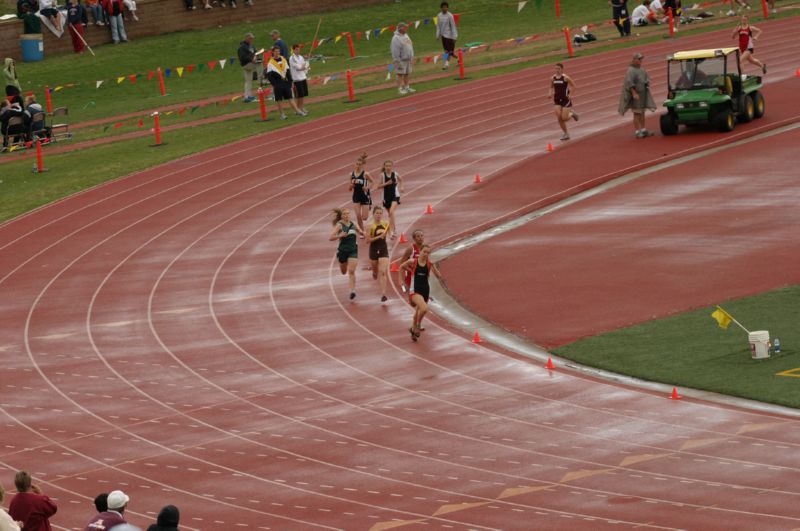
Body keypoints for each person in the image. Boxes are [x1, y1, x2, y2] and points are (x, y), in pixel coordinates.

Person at [399, 244, 441, 341]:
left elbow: (439, 277)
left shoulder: (429, 264)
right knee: (424, 309)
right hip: (415, 291)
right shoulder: (413, 262)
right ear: (420, 251)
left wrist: (434, 267)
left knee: (418, 312)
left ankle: (413, 330)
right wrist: (401, 280)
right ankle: (417, 325)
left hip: (425, 290)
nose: (426, 254)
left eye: (428, 253)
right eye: (424, 252)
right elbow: (401, 267)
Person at [618, 52, 656, 138]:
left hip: (643, 94)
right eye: (639, 59)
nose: (641, 60)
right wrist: (634, 93)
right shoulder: (631, 70)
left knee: (642, 112)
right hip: (636, 95)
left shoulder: (641, 69)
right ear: (634, 60)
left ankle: (643, 130)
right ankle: (637, 131)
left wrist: (647, 83)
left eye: (641, 59)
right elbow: (629, 83)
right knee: (637, 113)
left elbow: (646, 78)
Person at [330, 208, 363, 300]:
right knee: (343, 272)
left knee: (351, 271)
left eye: (348, 214)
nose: (347, 215)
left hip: (353, 250)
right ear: (342, 216)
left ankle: (352, 291)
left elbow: (360, 231)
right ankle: (340, 258)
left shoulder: (353, 224)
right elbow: (331, 237)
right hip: (343, 251)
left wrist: (362, 232)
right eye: (344, 214)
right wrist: (340, 235)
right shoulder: (339, 225)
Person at [265, 45, 305, 119]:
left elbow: (287, 71)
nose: (277, 53)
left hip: (285, 82)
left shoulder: (283, 59)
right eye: (276, 51)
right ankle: (282, 114)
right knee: (279, 99)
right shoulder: (270, 63)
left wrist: (290, 81)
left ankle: (298, 111)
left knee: (290, 97)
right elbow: (269, 76)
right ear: (273, 52)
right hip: (277, 83)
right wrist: (274, 84)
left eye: (278, 51)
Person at [373, 160, 403, 239]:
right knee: (391, 214)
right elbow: (378, 187)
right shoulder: (382, 175)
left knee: (391, 211)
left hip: (395, 195)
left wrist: (402, 187)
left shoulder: (395, 174)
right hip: (386, 197)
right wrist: (386, 183)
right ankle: (394, 229)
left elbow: (401, 179)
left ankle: (392, 231)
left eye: (390, 166)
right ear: (384, 166)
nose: (388, 167)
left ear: (392, 166)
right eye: (387, 166)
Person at [549, 63, 579, 141]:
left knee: (564, 118)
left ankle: (572, 113)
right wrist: (549, 93)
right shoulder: (553, 78)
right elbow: (551, 87)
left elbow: (574, 86)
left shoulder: (566, 78)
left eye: (558, 69)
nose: (557, 70)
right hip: (557, 100)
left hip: (566, 100)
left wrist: (570, 94)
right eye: (556, 68)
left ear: (562, 69)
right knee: (559, 117)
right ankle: (566, 133)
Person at [367, 206, 391, 302]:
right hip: (373, 249)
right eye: (377, 213)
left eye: (380, 213)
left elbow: (389, 233)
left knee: (383, 272)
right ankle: (374, 271)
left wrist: (391, 235)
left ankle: (383, 294)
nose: (379, 215)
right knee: (375, 267)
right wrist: (379, 237)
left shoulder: (385, 224)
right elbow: (367, 240)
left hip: (383, 249)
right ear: (373, 214)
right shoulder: (369, 226)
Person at [349, 155, 373, 235]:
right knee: (358, 215)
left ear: (362, 165)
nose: (358, 165)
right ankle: (362, 232)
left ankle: (369, 205)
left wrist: (367, 187)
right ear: (354, 165)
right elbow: (349, 189)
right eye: (357, 164)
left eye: (359, 164)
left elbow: (372, 182)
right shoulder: (351, 174)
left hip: (365, 196)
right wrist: (351, 186)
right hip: (356, 196)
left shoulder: (365, 174)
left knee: (364, 218)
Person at [391, 22, 415, 95]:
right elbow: (395, 51)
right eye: (405, 27)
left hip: (408, 59)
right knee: (400, 74)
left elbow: (410, 45)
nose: (406, 29)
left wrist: (412, 56)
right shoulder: (396, 38)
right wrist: (397, 61)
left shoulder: (406, 35)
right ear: (401, 29)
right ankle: (400, 89)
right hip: (401, 60)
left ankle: (407, 87)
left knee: (407, 73)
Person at [399, 229, 424, 294]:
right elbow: (401, 264)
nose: (420, 238)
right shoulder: (410, 249)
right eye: (418, 236)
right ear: (414, 238)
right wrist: (402, 280)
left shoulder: (425, 249)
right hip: (411, 278)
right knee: (414, 299)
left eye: (422, 236)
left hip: (422, 277)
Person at [435, 2, 457, 70]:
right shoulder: (439, 15)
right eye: (443, 7)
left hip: (450, 36)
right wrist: (437, 35)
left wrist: (455, 36)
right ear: (441, 8)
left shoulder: (450, 15)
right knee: (447, 51)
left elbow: (453, 26)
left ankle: (446, 64)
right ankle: (458, 59)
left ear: (447, 8)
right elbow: (438, 26)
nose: (445, 8)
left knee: (449, 51)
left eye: (446, 7)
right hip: (443, 36)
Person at [238, 32, 259, 103]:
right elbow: (242, 57)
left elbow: (255, 52)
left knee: (248, 81)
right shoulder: (242, 47)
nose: (251, 40)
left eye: (252, 39)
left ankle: (247, 96)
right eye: (250, 38)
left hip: (250, 64)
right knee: (260, 64)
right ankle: (263, 78)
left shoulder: (251, 46)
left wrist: (258, 54)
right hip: (247, 65)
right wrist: (252, 60)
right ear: (246, 38)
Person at [289, 43, 309, 114]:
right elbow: (298, 68)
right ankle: (298, 109)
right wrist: (303, 66)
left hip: (303, 77)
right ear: (293, 50)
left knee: (303, 94)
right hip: (297, 79)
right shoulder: (292, 58)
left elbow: (305, 66)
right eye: (296, 49)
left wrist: (306, 64)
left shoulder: (301, 57)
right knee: (299, 95)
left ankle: (301, 107)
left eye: (299, 49)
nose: (298, 51)